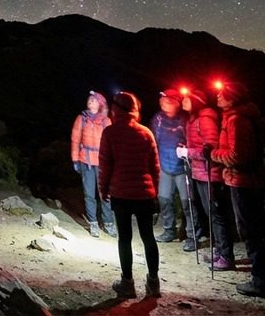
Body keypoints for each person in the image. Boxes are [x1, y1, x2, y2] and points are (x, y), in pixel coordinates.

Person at [212, 83, 265, 298]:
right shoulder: (243, 117)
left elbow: (237, 156)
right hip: (251, 181)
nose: (218, 95)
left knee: (251, 231)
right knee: (258, 230)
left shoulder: (236, 120)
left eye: (222, 93)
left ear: (232, 99)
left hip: (242, 182)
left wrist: (213, 155)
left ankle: (261, 282)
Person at [99, 91, 161, 300]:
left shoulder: (110, 132)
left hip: (121, 194)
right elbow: (155, 168)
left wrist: (103, 189)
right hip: (144, 194)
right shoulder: (146, 133)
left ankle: (128, 284)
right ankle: (153, 283)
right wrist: (155, 192)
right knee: (148, 237)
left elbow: (105, 165)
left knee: (124, 239)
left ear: (117, 108)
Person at [176, 88, 235, 270]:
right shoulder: (193, 119)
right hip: (199, 173)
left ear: (196, 101)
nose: (183, 102)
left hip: (211, 174)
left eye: (186, 99)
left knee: (216, 215)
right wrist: (187, 148)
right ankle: (219, 250)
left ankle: (226, 256)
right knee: (211, 214)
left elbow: (210, 149)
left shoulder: (205, 119)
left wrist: (188, 152)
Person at [70, 91, 117, 238]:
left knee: (105, 195)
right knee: (89, 194)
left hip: (102, 162)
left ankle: (108, 223)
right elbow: (75, 140)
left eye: (94, 100)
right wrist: (75, 159)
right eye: (89, 100)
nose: (91, 102)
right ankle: (93, 223)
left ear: (100, 103)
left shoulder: (106, 121)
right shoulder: (81, 119)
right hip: (86, 161)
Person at [150, 89, 191, 245]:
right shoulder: (158, 119)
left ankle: (190, 234)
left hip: (182, 167)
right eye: (163, 101)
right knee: (164, 199)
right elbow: (154, 140)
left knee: (187, 202)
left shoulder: (185, 120)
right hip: (164, 166)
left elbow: (191, 140)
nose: (164, 103)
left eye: (168, 101)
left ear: (176, 103)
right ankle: (169, 230)